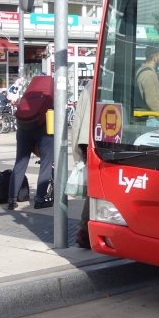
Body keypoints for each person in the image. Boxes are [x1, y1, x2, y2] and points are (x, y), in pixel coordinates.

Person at [7, 75, 54, 211]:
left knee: (20, 163)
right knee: (46, 164)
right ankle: (40, 199)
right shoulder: (51, 95)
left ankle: (12, 199)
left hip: (23, 129)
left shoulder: (29, 94)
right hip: (44, 130)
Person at [71, 82, 92, 248]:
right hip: (99, 140)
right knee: (96, 189)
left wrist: (77, 147)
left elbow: (78, 119)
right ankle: (84, 230)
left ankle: (84, 231)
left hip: (86, 140)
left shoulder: (89, 84)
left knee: (94, 188)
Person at [135, 46, 159, 114]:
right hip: (153, 118)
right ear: (154, 58)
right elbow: (152, 100)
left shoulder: (142, 70)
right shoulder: (149, 74)